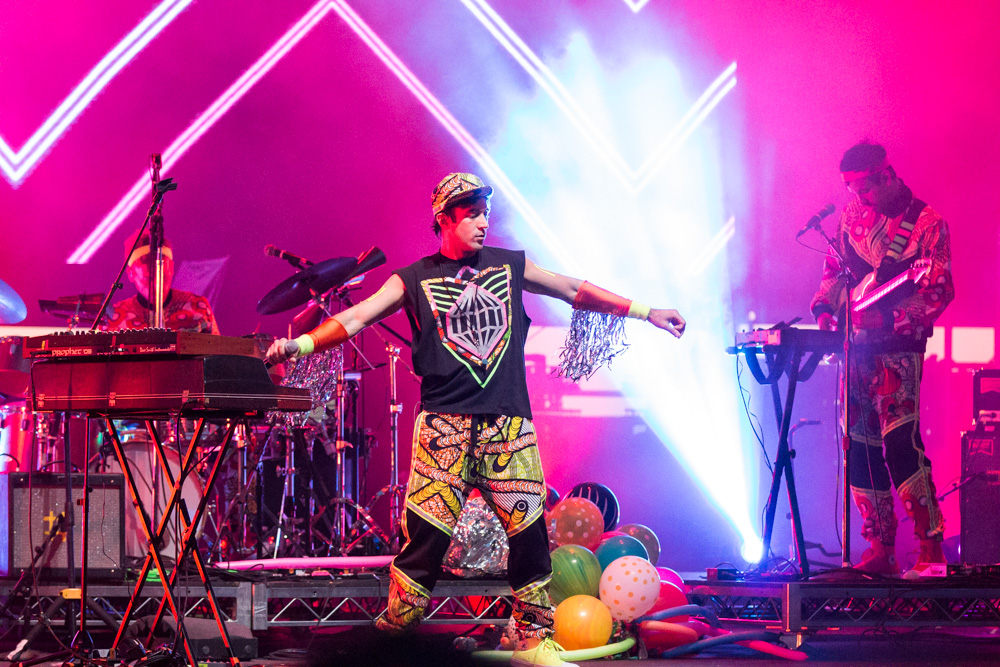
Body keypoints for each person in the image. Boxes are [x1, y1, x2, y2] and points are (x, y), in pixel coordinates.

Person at [267, 172, 686, 666]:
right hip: (443, 428)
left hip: (507, 426)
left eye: (487, 213)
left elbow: (571, 287)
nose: (484, 223)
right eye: (472, 215)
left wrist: (645, 310)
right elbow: (358, 315)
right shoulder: (414, 278)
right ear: (443, 219)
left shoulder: (510, 266)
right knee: (424, 542)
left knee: (529, 537)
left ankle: (533, 641)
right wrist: (300, 343)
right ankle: (393, 640)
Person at [810, 142, 954, 575]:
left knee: (899, 444)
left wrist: (888, 317)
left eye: (864, 188)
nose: (858, 199)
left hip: (898, 351)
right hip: (855, 349)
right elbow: (835, 272)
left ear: (886, 175)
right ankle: (880, 546)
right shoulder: (852, 217)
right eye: (851, 189)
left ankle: (931, 548)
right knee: (859, 445)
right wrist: (822, 309)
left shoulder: (928, 223)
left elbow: (939, 290)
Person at [104, 230, 220, 333]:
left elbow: (217, 354)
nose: (156, 285)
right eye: (147, 278)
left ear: (172, 269)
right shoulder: (114, 318)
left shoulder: (197, 307)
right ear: (130, 273)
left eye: (163, 277)